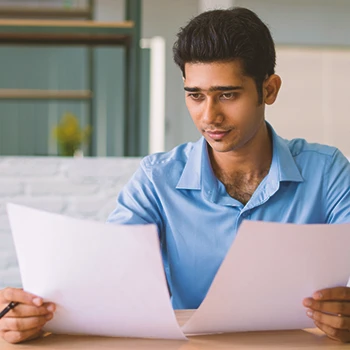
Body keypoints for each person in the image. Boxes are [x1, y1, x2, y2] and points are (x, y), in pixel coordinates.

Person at [1, 7, 350, 344]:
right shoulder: (157, 179)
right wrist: (31, 314)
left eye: (227, 95)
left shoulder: (327, 172)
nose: (209, 116)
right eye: (195, 95)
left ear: (269, 89)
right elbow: (107, 279)